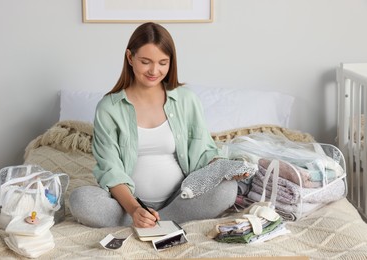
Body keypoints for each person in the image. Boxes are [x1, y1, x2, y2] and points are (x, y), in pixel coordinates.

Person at [69, 22, 249, 228]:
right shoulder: (109, 108)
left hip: (181, 198)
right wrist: (135, 209)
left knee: (226, 189)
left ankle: (155, 220)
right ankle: (147, 219)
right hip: (129, 203)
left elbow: (202, 154)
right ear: (130, 58)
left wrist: (225, 168)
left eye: (163, 62)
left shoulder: (186, 99)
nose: (154, 70)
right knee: (81, 200)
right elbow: (109, 168)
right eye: (146, 61)